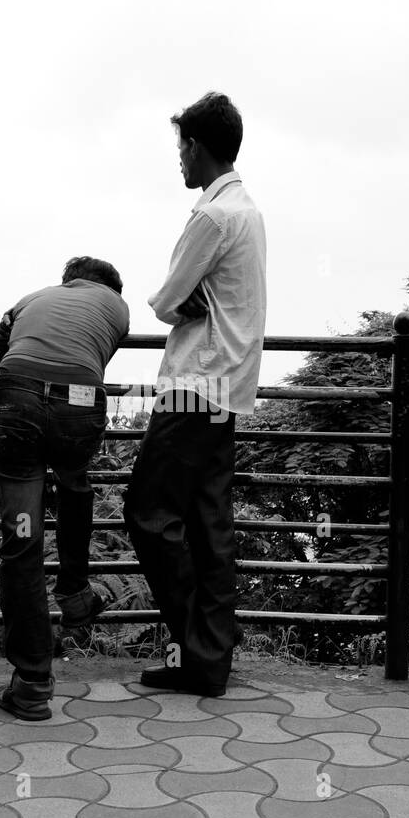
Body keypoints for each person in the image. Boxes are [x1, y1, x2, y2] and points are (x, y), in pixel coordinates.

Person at [123, 92, 266, 697]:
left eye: (181, 147)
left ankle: (201, 647)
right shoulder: (248, 209)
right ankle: (207, 661)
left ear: (198, 147)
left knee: (148, 514)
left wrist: (173, 304)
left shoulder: (211, 217)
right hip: (230, 384)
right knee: (209, 526)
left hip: (193, 384)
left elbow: (162, 301)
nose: (178, 160)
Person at [0, 256, 130, 720]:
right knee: (73, 482)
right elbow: (87, 357)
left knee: (22, 541)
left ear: (69, 282)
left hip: (17, 398)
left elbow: (1, 344)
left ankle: (31, 683)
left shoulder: (32, 298)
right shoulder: (117, 309)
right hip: (80, 401)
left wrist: (4, 396)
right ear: (110, 288)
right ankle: (73, 591)